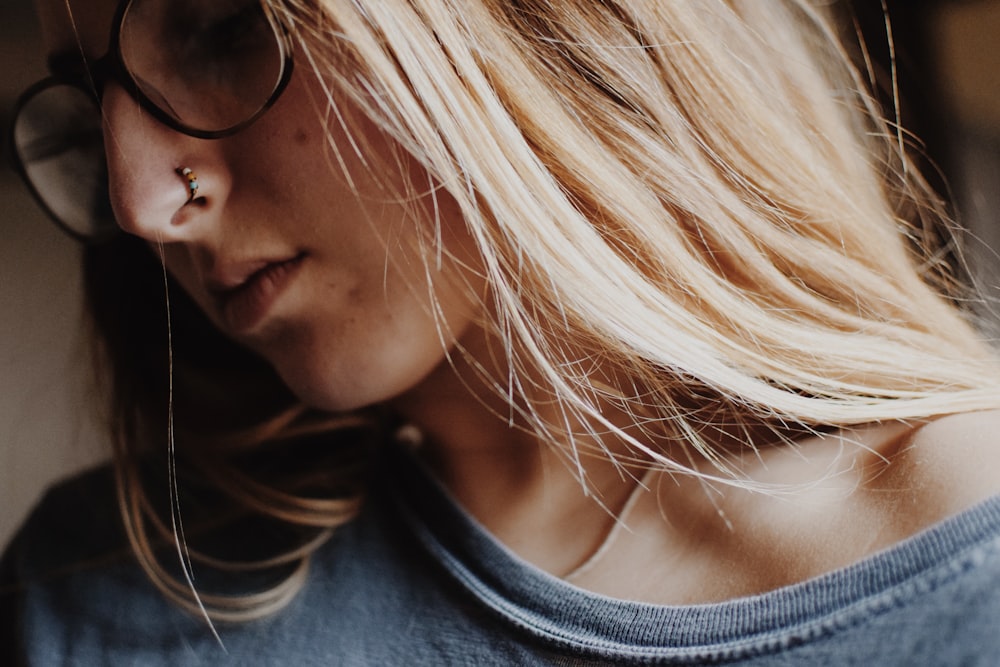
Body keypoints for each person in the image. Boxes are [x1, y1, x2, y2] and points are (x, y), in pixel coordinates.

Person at [3, 0, 1000, 663]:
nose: (138, 202)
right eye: (94, 108)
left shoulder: (971, 584)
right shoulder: (102, 599)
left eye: (218, 28)